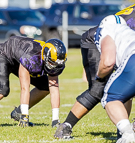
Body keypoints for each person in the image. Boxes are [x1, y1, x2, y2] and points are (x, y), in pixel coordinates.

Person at [54, 4, 135, 139]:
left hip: (123, 48)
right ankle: (66, 126)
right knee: (98, 89)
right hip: (99, 40)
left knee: (126, 88)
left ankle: (122, 132)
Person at [0, 36, 67, 127]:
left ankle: (18, 112)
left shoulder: (53, 61)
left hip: (18, 58)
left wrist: (55, 120)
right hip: (3, 54)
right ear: (45, 56)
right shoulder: (31, 57)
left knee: (46, 86)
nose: (54, 67)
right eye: (52, 63)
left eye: (56, 64)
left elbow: (54, 89)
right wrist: (25, 116)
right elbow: (24, 88)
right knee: (2, 90)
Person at [95, 15, 135, 142]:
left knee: (110, 97)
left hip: (132, 58)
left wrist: (99, 75)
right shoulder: (128, 32)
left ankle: (128, 136)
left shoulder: (106, 30)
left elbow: (108, 62)